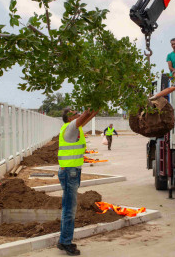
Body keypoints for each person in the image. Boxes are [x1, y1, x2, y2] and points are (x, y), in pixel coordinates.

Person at [57, 107, 98, 256]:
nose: (79, 115)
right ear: (69, 119)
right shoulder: (70, 128)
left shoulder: (74, 127)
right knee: (69, 209)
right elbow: (86, 114)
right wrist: (91, 106)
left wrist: (98, 103)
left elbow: (89, 115)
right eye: (75, 114)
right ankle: (65, 242)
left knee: (68, 207)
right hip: (69, 172)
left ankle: (63, 240)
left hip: (71, 172)